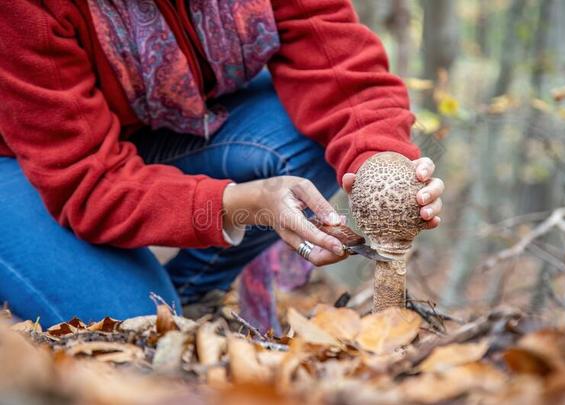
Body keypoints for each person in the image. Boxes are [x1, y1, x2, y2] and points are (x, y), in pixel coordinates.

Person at [0, 0, 444, 327]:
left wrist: (378, 158)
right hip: (29, 158)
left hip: (147, 124)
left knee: (310, 133)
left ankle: (191, 291)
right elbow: (87, 181)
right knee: (131, 325)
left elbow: (337, 66)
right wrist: (236, 204)